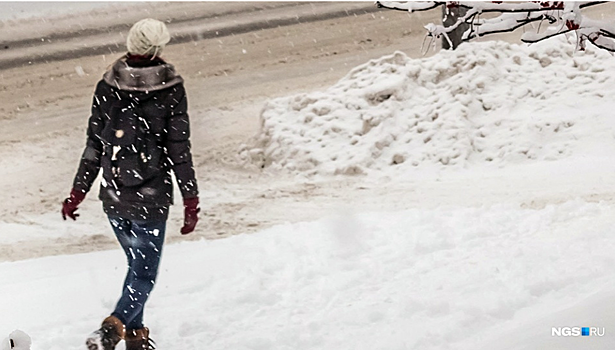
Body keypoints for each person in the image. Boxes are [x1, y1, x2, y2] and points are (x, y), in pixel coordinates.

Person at [61, 18, 200, 350]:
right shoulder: (171, 89)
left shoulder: (107, 85)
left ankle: (136, 340)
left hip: (114, 197)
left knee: (136, 268)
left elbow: (94, 144)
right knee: (143, 275)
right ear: (158, 48)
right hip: (150, 199)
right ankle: (113, 327)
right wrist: (190, 199)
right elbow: (179, 150)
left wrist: (77, 192)